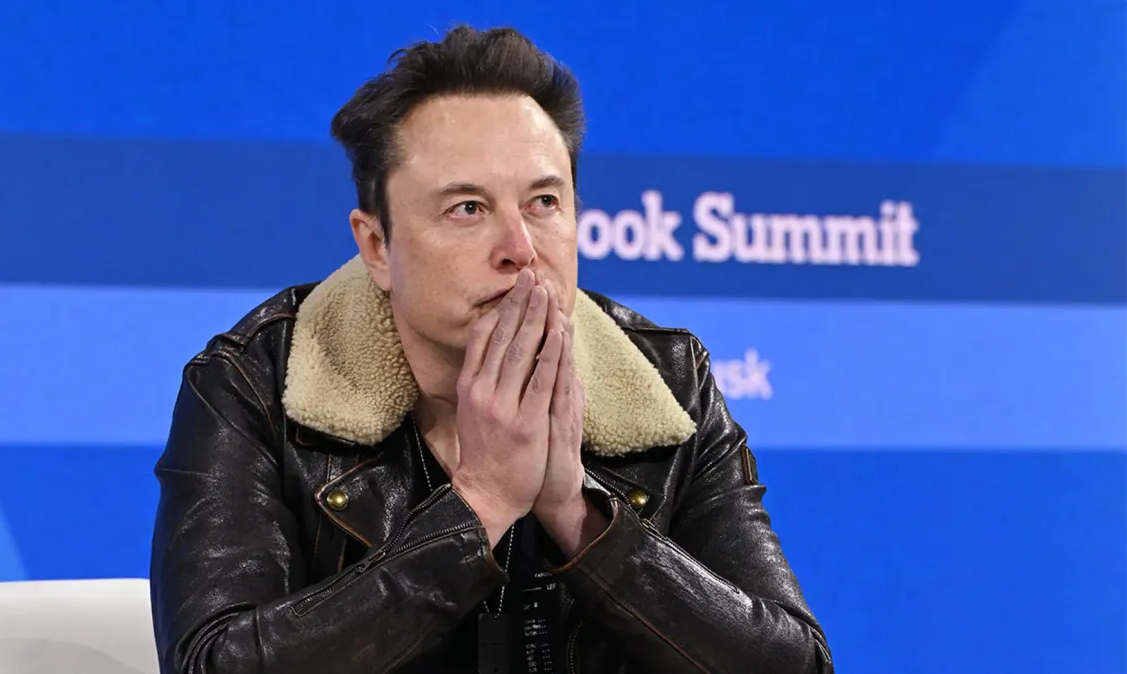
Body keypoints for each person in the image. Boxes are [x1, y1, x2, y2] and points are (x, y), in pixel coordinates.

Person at [149, 25, 832, 674]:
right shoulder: (254, 384)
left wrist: (579, 516)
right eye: (468, 209)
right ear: (377, 246)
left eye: (543, 202)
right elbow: (213, 662)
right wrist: (479, 505)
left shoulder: (670, 386)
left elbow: (794, 662)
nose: (520, 249)